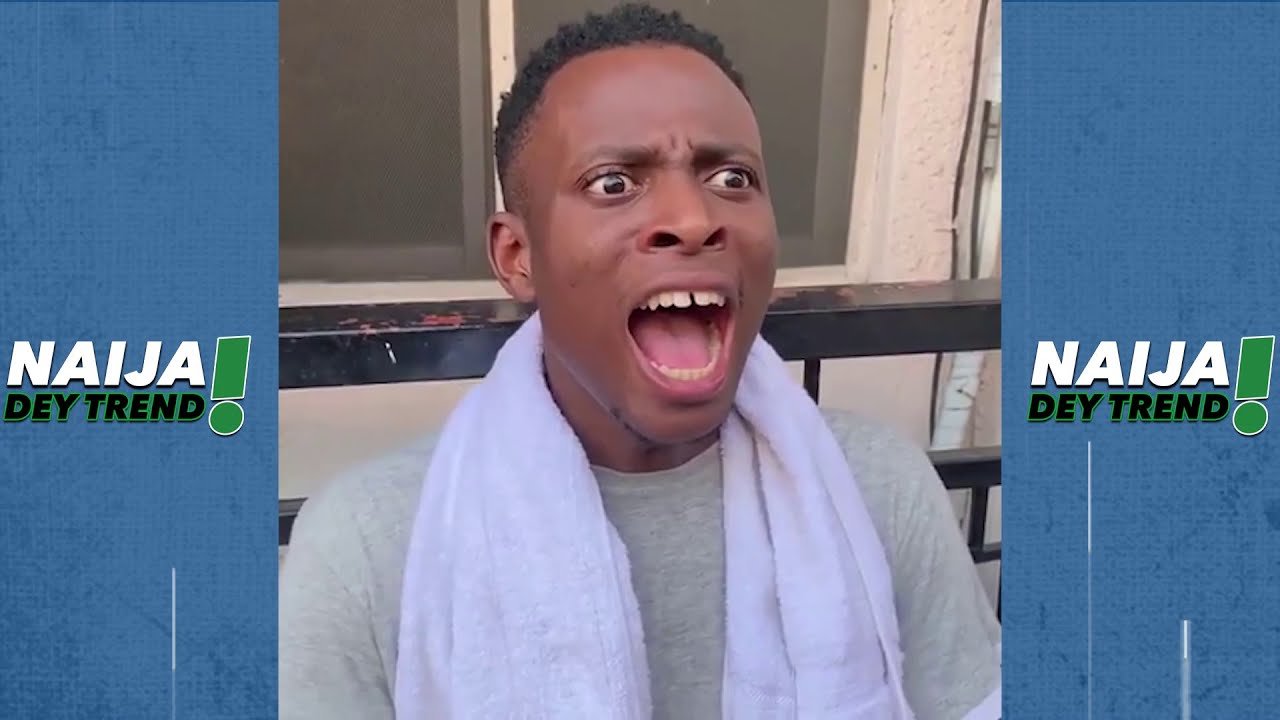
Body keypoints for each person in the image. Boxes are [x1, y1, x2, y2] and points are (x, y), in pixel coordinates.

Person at [280, 4, 1001, 719]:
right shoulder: (366, 549)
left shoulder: (877, 490)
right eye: (613, 184)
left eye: (732, 179)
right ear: (518, 255)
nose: (693, 219)